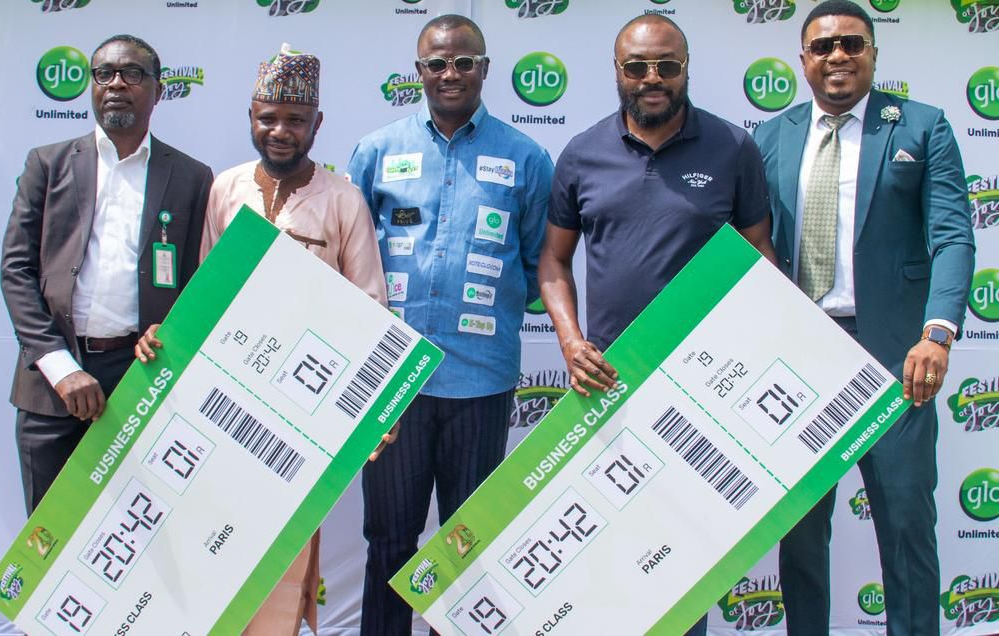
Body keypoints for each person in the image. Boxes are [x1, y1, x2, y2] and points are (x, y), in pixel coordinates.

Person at [135, 44, 387, 636]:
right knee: (215, 538)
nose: (280, 131)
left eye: (295, 120)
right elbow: (203, 292)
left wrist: (376, 409)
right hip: (225, 400)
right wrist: (165, 337)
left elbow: (370, 308)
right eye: (267, 117)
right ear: (251, 117)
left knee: (283, 546)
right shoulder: (224, 189)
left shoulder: (343, 199)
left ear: (317, 124)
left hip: (301, 408)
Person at [538, 14, 776, 635]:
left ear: (687, 69)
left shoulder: (733, 148)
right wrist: (569, 339)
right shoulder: (582, 153)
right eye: (637, 66)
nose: (652, 78)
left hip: (700, 390)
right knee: (609, 546)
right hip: (608, 386)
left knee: (682, 554)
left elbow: (761, 263)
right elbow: (553, 262)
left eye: (667, 66)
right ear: (617, 71)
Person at [752, 2, 975, 634]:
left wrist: (938, 332)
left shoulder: (922, 128)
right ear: (804, 60)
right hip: (798, 356)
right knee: (798, 535)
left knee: (905, 525)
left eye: (852, 43)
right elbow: (751, 244)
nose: (838, 56)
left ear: (874, 52)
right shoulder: (771, 136)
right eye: (823, 47)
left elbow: (954, 237)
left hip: (898, 355)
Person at [347, 14, 554, 634]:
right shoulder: (376, 151)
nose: (450, 73)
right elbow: (354, 260)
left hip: (481, 382)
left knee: (466, 546)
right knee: (389, 543)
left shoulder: (526, 157)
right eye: (437, 63)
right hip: (393, 386)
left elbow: (535, 261)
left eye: (464, 62)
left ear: (485, 70)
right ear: (418, 73)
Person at [0, 34, 211, 515]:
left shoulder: (191, 177)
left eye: (132, 73)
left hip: (142, 379)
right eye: (103, 73)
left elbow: (196, 282)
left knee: (135, 542)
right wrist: (61, 367)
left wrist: (171, 332)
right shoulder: (47, 164)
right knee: (45, 546)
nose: (116, 83)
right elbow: (16, 270)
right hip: (51, 384)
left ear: (158, 91)